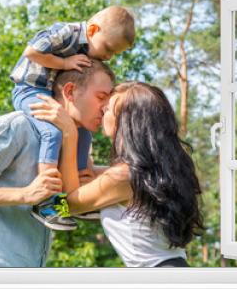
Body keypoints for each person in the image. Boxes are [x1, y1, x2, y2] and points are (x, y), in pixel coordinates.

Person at [0, 61, 114, 267]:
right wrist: (25, 194)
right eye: (101, 97)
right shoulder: (17, 127)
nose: (105, 109)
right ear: (70, 92)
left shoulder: (75, 143)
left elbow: (65, 208)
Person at [30, 81, 205, 267]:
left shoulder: (123, 177)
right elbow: (101, 175)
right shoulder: (157, 169)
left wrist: (70, 134)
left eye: (107, 110)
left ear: (127, 120)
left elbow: (68, 206)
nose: (101, 112)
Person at [10, 6, 135, 230]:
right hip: (29, 89)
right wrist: (65, 64)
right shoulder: (66, 32)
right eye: (107, 49)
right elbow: (31, 52)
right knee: (52, 132)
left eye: (114, 54)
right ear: (94, 29)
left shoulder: (87, 48)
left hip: (48, 91)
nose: (108, 56)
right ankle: (47, 202)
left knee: (83, 134)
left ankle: (77, 197)